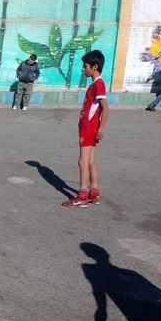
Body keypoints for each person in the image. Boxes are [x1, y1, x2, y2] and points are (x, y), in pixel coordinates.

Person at [62, 50, 110, 208]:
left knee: (82, 161)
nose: (83, 69)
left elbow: (106, 108)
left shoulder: (98, 84)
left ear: (94, 67)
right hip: (90, 127)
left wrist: (101, 129)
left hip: (88, 127)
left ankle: (82, 196)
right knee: (89, 161)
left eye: (85, 66)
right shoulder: (95, 83)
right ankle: (93, 192)